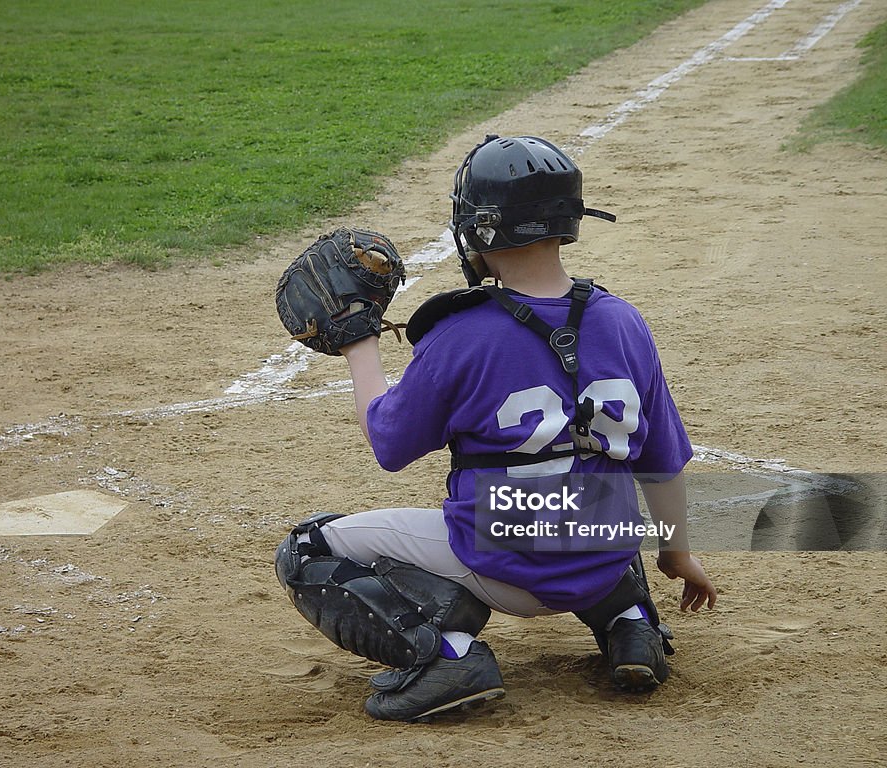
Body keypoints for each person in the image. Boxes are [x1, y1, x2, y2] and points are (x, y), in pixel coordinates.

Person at [274, 134, 717, 722]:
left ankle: (449, 654)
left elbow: (389, 443)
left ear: (480, 230)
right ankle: (630, 622)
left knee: (307, 548)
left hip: (501, 571)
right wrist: (676, 554)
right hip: (604, 561)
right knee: (597, 490)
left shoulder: (461, 334)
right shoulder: (625, 322)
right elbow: (662, 459)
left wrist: (360, 344)